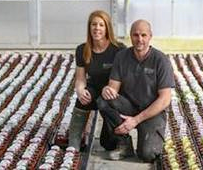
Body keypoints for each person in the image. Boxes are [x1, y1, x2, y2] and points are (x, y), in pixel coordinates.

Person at [97, 19, 175, 162]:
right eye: (135, 35)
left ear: (150, 36)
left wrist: (135, 120)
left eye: (143, 35)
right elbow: (113, 88)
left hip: (151, 112)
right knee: (103, 101)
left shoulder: (160, 60)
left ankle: (143, 132)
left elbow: (164, 99)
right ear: (130, 36)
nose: (139, 39)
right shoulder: (122, 57)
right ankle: (124, 143)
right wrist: (106, 90)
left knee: (148, 155)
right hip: (129, 106)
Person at [68, 10, 126, 151]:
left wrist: (111, 90)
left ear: (107, 28)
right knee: (82, 99)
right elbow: (80, 78)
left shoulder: (118, 50)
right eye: (94, 24)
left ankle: (121, 139)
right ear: (89, 27)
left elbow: (124, 79)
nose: (97, 28)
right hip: (94, 90)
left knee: (108, 144)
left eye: (101, 25)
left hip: (112, 95)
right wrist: (80, 90)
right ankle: (73, 143)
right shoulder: (82, 49)